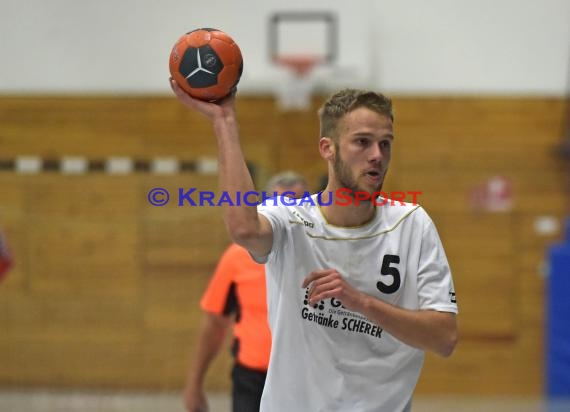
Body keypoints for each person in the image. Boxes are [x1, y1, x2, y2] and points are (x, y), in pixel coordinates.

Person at [170, 81, 458, 412]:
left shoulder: (412, 225)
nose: (377, 155)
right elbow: (243, 228)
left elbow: (445, 338)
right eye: (362, 142)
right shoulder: (290, 220)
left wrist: (360, 302)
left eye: (385, 143)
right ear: (328, 148)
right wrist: (224, 122)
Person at [183, 172, 309, 412]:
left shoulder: (322, 255)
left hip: (306, 379)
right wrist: (194, 384)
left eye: (298, 206)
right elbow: (214, 324)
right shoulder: (237, 257)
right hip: (252, 380)